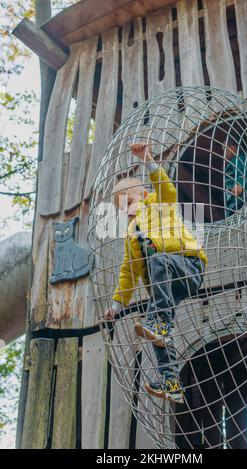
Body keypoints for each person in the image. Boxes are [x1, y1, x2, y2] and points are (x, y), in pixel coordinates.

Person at [104, 142, 208, 404]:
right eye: (122, 210)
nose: (127, 211)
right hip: (166, 288)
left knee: (159, 260)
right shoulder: (131, 236)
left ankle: (159, 322)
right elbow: (128, 273)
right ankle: (171, 381)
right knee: (156, 331)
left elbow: (167, 188)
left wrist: (148, 160)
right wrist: (116, 306)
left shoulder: (160, 205)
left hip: (187, 267)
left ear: (144, 195)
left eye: (129, 202)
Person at [223, 138, 247, 217]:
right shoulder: (239, 159)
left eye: (224, 151)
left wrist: (240, 184)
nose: (223, 155)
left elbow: (243, 173)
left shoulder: (237, 159)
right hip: (237, 201)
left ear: (232, 148)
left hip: (238, 201)